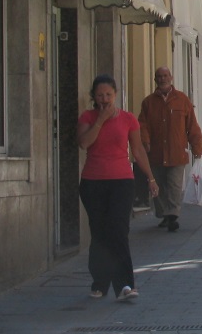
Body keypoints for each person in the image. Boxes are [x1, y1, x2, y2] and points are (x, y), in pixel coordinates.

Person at [78, 74, 159, 301]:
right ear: (93, 96)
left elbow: (138, 150)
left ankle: (125, 284)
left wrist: (151, 178)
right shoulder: (88, 117)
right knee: (100, 233)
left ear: (115, 95)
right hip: (92, 183)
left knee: (119, 231)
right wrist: (101, 120)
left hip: (122, 182)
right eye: (100, 95)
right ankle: (100, 283)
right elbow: (84, 142)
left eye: (109, 95)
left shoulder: (128, 119)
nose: (104, 99)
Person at [138, 66, 202, 233]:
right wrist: (145, 141)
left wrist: (197, 147)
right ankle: (164, 215)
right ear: (155, 79)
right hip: (156, 152)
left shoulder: (182, 100)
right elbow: (142, 125)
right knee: (158, 186)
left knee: (174, 185)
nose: (162, 79)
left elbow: (192, 126)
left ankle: (173, 215)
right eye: (159, 76)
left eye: (165, 75)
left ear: (171, 78)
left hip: (176, 152)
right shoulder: (148, 102)